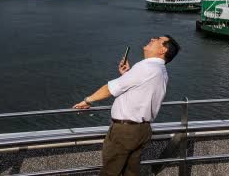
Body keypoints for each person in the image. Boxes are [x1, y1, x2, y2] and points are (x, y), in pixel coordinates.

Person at [73, 35, 180, 176]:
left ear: (163, 49)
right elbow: (140, 90)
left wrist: (87, 100)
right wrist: (127, 74)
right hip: (142, 130)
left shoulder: (146, 66)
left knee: (110, 171)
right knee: (130, 172)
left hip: (125, 131)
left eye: (157, 39)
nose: (152, 39)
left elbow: (110, 88)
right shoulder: (161, 71)